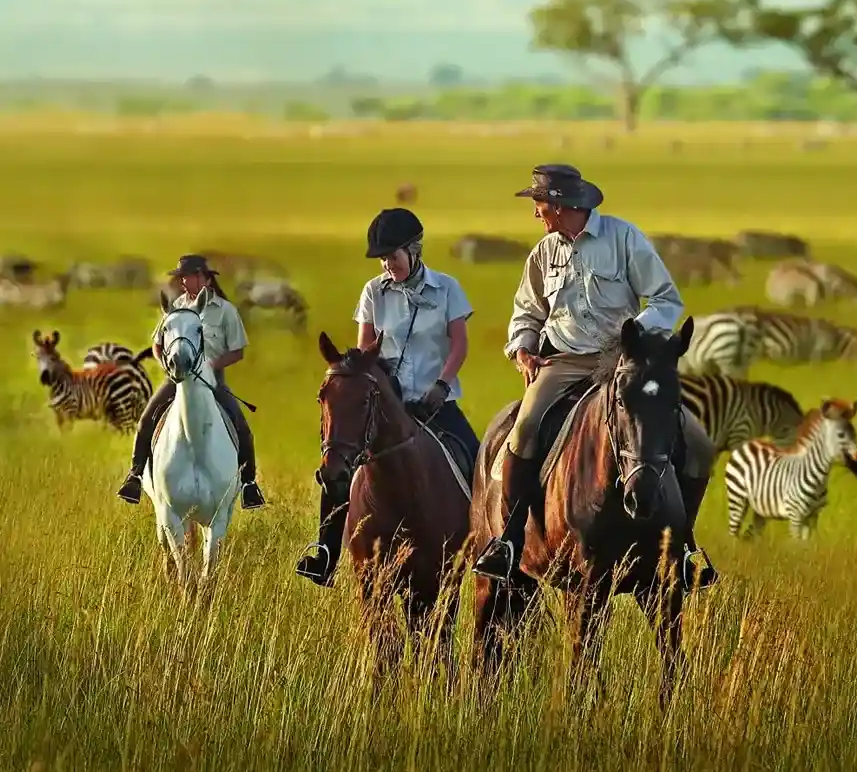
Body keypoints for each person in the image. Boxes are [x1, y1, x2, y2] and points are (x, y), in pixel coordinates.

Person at [471, 164, 718, 590]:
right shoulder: (544, 252)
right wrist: (523, 348)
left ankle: (684, 546)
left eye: (540, 204)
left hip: (622, 360)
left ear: (563, 205)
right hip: (562, 363)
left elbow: (666, 299)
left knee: (697, 442)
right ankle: (508, 543)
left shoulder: (624, 239)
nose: (536, 214)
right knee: (523, 430)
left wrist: (635, 336)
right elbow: (526, 312)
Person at [295, 206, 481, 587]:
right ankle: (325, 552)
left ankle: (492, 549)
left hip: (436, 403)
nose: (386, 265)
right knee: (339, 468)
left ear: (414, 250)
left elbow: (459, 346)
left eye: (392, 257)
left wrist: (442, 386)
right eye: (382, 259)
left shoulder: (447, 289)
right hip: (387, 402)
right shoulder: (373, 292)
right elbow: (366, 349)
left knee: (479, 465)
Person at [116, 255, 265, 509]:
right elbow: (157, 343)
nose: (182, 282)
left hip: (213, 380)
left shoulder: (225, 311)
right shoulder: (176, 306)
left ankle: (249, 485)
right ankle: (135, 475)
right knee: (145, 420)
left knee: (242, 427)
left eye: (187, 276)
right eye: (180, 277)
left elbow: (238, 351)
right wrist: (164, 363)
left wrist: (211, 365)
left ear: (204, 278)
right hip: (177, 378)